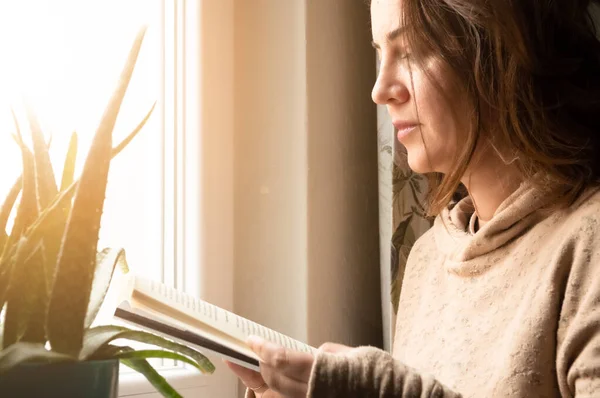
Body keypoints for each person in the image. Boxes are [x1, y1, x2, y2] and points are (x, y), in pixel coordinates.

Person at [226, 0, 600, 396]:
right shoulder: (426, 261)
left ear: (499, 50)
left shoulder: (587, 245)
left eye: (410, 51)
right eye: (379, 54)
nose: (380, 90)